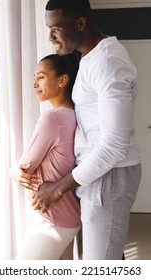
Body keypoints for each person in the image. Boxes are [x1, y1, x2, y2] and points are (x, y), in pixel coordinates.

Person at [16, 0, 142, 260]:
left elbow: (115, 144)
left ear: (81, 23)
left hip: (108, 175)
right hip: (96, 175)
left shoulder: (108, 62)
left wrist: (59, 188)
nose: (51, 37)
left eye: (56, 29)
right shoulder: (90, 58)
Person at [9, 53, 81, 260]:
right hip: (69, 217)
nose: (34, 84)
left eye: (40, 77)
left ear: (62, 81)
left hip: (53, 220)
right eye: (34, 77)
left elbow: (25, 168)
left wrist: (12, 171)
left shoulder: (52, 118)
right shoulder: (74, 116)